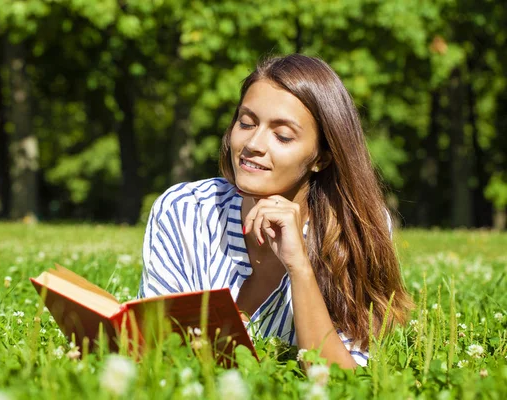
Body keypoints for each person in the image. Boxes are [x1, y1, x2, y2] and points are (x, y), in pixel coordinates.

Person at [138, 54, 412, 368]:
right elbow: (155, 349)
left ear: (321, 157)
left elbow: (343, 383)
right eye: (246, 122)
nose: (253, 143)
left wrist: (299, 268)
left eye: (282, 135)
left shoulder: (357, 227)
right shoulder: (185, 210)